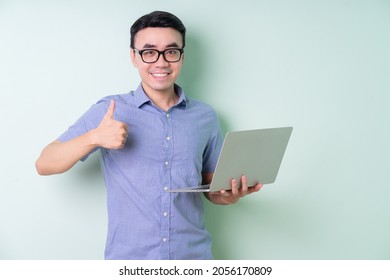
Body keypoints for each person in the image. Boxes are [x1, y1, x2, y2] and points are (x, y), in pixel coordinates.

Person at [35, 11, 262, 260]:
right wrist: (94, 137)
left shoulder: (205, 117)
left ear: (182, 57)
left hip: (193, 259)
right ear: (134, 56)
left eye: (171, 51)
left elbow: (211, 188)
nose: (161, 62)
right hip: (129, 261)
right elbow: (45, 163)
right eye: (149, 51)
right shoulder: (110, 111)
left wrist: (229, 195)